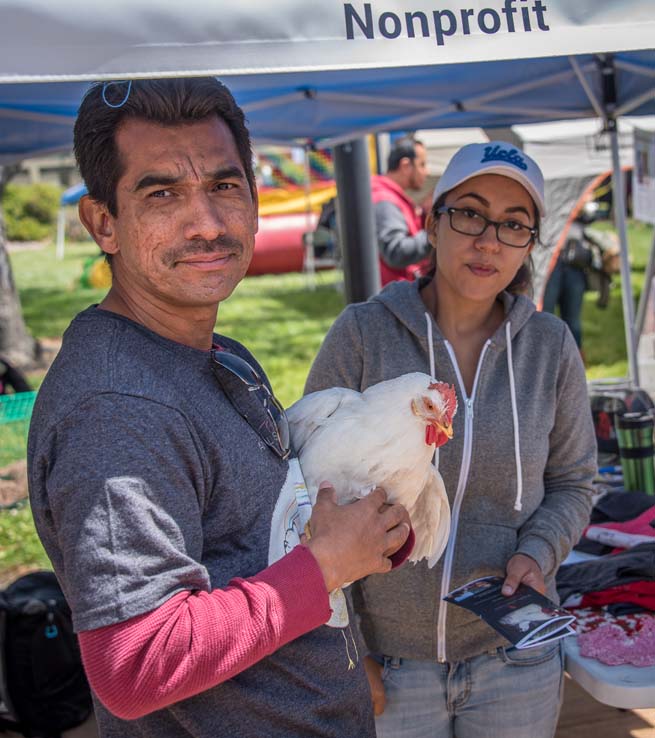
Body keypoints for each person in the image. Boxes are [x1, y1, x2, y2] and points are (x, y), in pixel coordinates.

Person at [27, 78, 412, 738]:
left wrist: (362, 534)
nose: (206, 223)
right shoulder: (115, 413)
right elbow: (134, 666)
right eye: (162, 194)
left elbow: (263, 534)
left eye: (224, 186)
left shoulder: (217, 352)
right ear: (102, 223)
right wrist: (325, 566)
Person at [305, 141, 597, 738]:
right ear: (431, 224)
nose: (488, 240)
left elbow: (573, 482)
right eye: (469, 213)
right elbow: (306, 500)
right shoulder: (363, 333)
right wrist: (350, 649)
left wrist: (536, 554)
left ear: (529, 246)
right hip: (390, 662)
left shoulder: (550, 347)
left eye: (514, 225)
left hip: (515, 655)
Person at [371, 137, 432, 285]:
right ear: (405, 165)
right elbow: (396, 252)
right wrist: (435, 233)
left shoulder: (388, 195)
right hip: (394, 300)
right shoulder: (385, 200)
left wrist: (424, 213)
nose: (427, 172)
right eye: (422, 165)